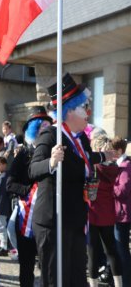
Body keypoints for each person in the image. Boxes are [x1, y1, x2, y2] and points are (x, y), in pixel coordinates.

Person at [29, 73, 117, 286]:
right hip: (53, 220)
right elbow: (33, 169)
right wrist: (51, 162)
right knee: (55, 278)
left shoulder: (82, 138)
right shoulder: (51, 136)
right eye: (83, 107)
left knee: (77, 277)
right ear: (68, 111)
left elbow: (84, 159)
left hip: (75, 218)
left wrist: (105, 156)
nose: (88, 112)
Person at [6, 105, 52, 287]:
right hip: (26, 217)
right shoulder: (23, 155)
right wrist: (30, 191)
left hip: (48, 218)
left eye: (48, 127)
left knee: (48, 265)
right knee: (26, 267)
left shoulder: (56, 154)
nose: (45, 131)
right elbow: (10, 184)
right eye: (41, 127)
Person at [87, 129, 122, 287]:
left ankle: (93, 285)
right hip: (109, 213)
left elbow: (88, 193)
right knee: (111, 252)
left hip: (93, 214)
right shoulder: (115, 168)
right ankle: (118, 284)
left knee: (92, 253)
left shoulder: (94, 167)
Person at [112, 136, 131, 287]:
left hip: (123, 215)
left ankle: (126, 281)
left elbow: (123, 190)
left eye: (112, 150)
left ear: (118, 150)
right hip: (120, 213)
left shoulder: (125, 165)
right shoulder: (121, 164)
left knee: (122, 249)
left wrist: (107, 188)